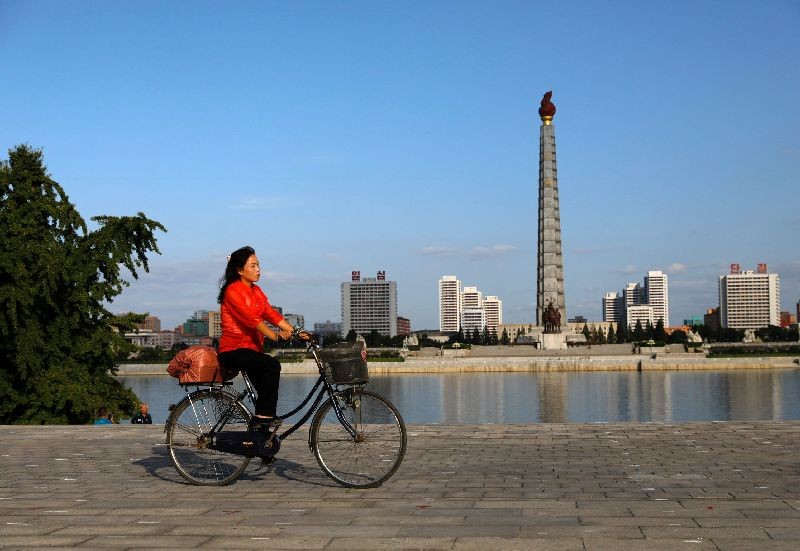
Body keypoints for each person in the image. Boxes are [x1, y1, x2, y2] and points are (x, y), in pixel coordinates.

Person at [216, 246, 303, 432]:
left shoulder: (257, 291)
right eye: (253, 266)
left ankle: (261, 445)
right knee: (272, 365)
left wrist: (297, 332)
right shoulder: (232, 291)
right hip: (233, 350)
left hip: (252, 351)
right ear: (240, 270)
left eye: (259, 266)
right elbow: (251, 320)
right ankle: (262, 420)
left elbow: (272, 314)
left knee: (266, 392)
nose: (258, 270)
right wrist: (274, 336)